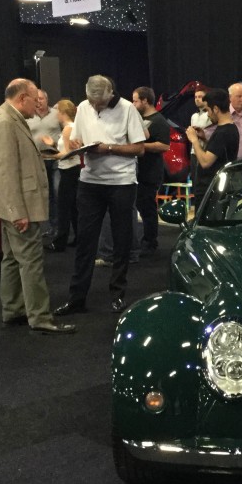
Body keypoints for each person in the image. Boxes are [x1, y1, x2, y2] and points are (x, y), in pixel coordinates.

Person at [0, 78, 74, 335]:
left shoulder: (4, 117)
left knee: (11, 259)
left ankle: (13, 309)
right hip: (19, 205)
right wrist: (17, 211)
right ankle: (40, 316)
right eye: (36, 100)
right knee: (30, 260)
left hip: (9, 204)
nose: (40, 105)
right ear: (22, 98)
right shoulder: (7, 121)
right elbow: (6, 171)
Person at [54, 75, 146, 316]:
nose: (95, 106)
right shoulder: (84, 107)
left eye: (100, 102)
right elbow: (80, 139)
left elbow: (139, 148)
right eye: (91, 101)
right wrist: (76, 144)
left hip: (121, 183)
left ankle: (117, 294)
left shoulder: (127, 109)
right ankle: (77, 298)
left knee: (121, 239)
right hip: (90, 181)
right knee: (85, 241)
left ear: (111, 93)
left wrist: (108, 148)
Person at [133, 86, 171, 256]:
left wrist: (139, 146)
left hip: (151, 172)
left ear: (145, 101)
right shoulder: (139, 118)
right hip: (138, 171)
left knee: (147, 207)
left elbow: (164, 145)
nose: (133, 104)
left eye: (135, 100)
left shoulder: (159, 121)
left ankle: (150, 242)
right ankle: (144, 239)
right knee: (141, 205)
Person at [41, 99, 81, 252]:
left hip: (68, 170)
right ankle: (78, 238)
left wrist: (50, 155)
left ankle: (59, 242)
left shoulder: (67, 129)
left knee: (64, 208)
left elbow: (68, 153)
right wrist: (52, 145)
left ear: (63, 113)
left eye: (58, 112)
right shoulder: (71, 127)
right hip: (71, 169)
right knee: (72, 208)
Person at [187, 88, 240, 200]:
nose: (207, 115)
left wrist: (194, 140)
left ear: (215, 109)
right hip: (215, 189)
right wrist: (204, 139)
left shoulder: (223, 132)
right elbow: (218, 151)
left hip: (212, 192)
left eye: (207, 110)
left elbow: (205, 162)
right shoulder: (229, 128)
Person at [26, 89, 62, 234]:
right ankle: (48, 227)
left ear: (47, 100)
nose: (39, 101)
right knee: (43, 196)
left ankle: (59, 227)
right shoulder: (29, 116)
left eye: (41, 98)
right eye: (36, 99)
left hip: (56, 159)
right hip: (37, 160)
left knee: (57, 192)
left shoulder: (56, 114)